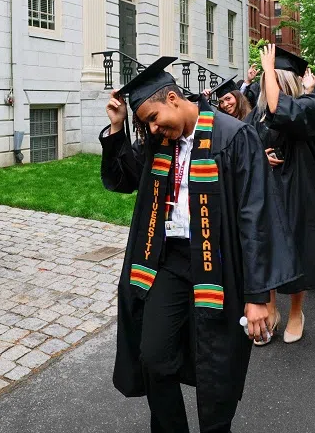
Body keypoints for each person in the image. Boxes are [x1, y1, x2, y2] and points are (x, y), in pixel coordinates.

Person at [101, 57, 297, 433]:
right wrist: (116, 127)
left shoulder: (233, 136)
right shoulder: (160, 141)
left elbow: (257, 218)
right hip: (169, 261)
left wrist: (259, 296)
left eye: (154, 118)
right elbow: (123, 178)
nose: (153, 128)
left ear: (173, 98)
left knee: (216, 369)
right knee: (153, 357)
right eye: (146, 124)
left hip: (219, 264)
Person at [245, 45, 315, 345]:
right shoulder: (257, 115)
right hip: (265, 190)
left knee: (296, 250)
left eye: (274, 79)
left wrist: (268, 70)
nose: (269, 85)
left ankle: (295, 311)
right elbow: (244, 146)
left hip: (297, 189)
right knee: (265, 250)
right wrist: (258, 157)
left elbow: (283, 110)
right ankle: (270, 308)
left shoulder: (309, 106)